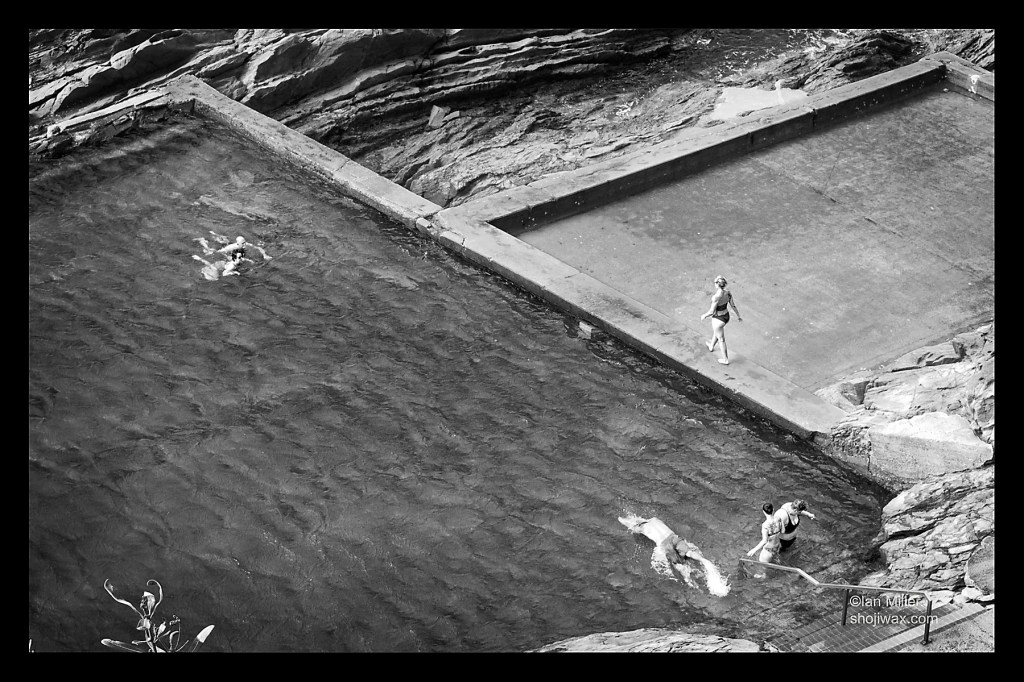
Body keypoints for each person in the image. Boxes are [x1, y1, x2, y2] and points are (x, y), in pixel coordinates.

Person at [700, 275, 742, 365]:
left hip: (718, 319)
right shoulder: (728, 293)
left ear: (716, 285)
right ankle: (711, 346)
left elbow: (712, 311)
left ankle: (725, 359)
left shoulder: (716, 297)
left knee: (721, 339)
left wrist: (704, 315)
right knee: (718, 331)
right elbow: (733, 305)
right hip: (726, 317)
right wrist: (738, 315)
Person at [628, 517, 704, 566]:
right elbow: (643, 520)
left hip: (665, 545)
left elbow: (632, 527)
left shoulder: (641, 528)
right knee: (689, 552)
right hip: (673, 537)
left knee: (679, 564)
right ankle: (703, 561)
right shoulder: (654, 519)